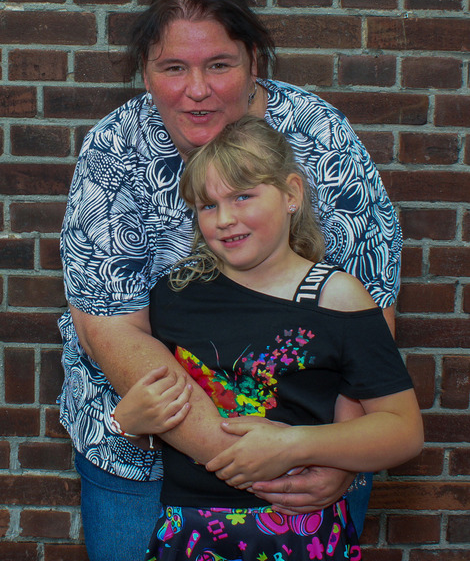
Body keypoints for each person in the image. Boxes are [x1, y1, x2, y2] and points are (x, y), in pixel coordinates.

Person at [58, 0, 403, 561]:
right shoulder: (115, 151)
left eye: (219, 64)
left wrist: (337, 451)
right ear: (146, 72)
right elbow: (110, 328)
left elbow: (368, 304)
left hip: (311, 464)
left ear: (253, 62)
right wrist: (257, 465)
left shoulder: (320, 136)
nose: (198, 90)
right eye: (173, 68)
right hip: (146, 458)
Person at [112, 116, 423, 561]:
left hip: (302, 532)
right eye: (207, 205)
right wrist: (127, 425)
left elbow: (403, 431)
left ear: (291, 193)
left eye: (243, 196)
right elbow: (157, 424)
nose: (225, 219)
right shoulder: (174, 296)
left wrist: (296, 444)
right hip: (191, 533)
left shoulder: (337, 298)